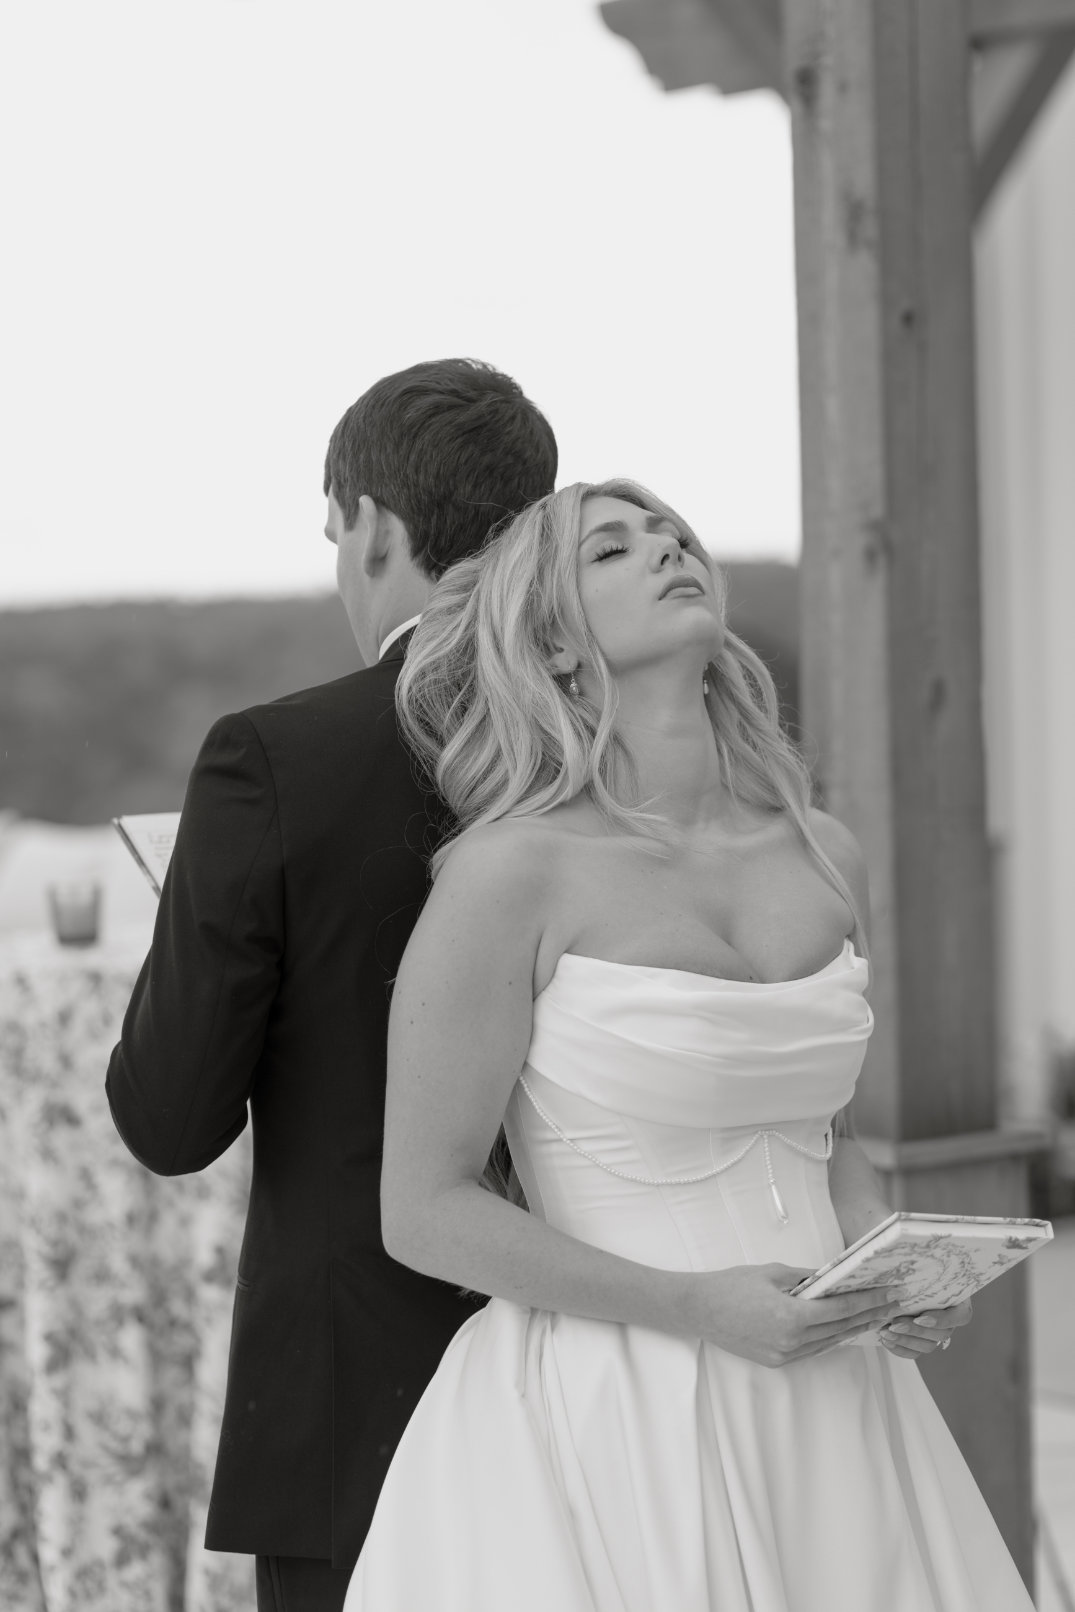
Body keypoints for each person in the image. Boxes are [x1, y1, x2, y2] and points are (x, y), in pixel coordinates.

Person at [342, 479, 1034, 1611]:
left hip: (833, 1396)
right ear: (558, 649)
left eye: (671, 532)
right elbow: (421, 1208)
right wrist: (697, 1308)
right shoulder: (508, 873)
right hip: (614, 1405)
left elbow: (827, 1138)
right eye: (612, 548)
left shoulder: (821, 849)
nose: (666, 546)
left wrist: (894, 1270)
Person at [105, 358, 558, 1612]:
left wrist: (200, 936)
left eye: (332, 532)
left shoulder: (275, 760)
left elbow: (170, 1116)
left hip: (364, 1397)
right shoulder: (623, 747)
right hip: (612, 1362)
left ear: (375, 528)